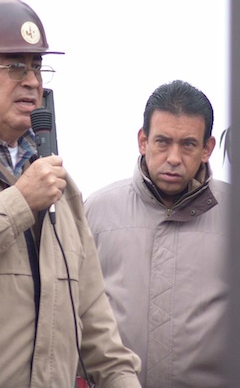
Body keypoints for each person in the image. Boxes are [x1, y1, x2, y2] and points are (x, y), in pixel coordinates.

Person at [0, 0, 141, 388]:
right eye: (15, 66)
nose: (32, 81)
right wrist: (19, 201)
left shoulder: (59, 186)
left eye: (36, 66)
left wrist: (122, 379)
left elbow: (95, 321)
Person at [85, 80, 231, 388]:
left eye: (188, 144)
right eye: (162, 142)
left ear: (207, 148)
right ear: (143, 140)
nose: (174, 158)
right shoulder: (95, 212)